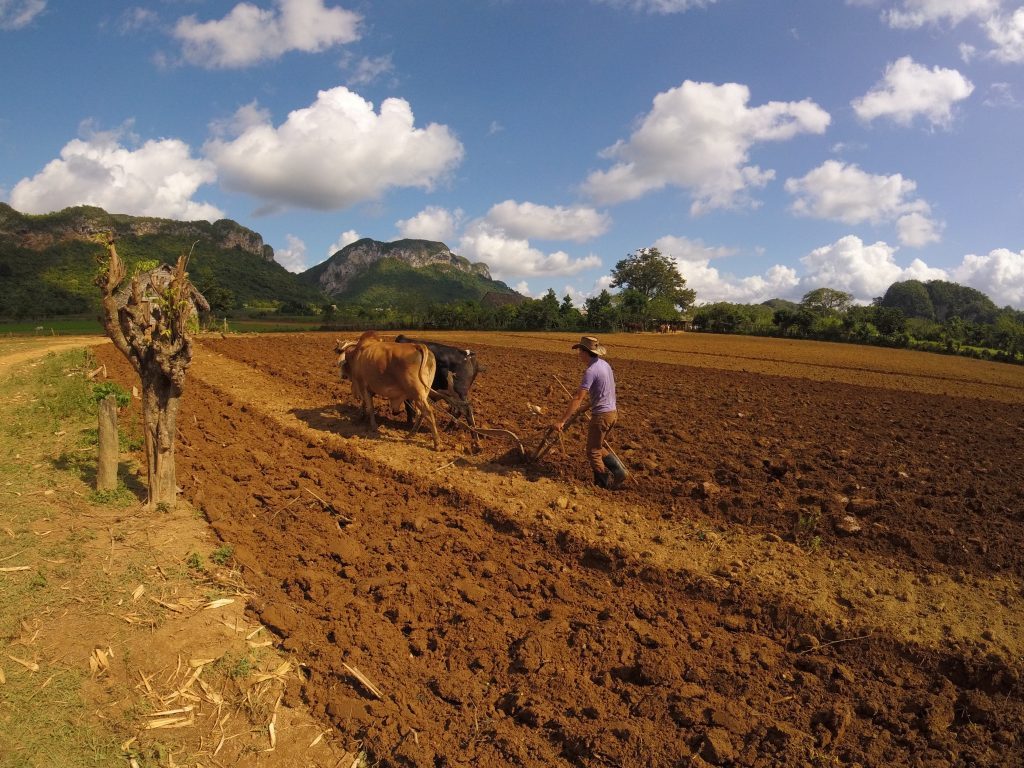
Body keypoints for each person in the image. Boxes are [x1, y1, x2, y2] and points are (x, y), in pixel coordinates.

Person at [554, 336, 627, 489]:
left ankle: (603, 484)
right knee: (598, 446)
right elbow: (604, 391)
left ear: (585, 352)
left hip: (601, 416)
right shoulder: (605, 365)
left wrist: (562, 421)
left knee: (592, 451)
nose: (578, 354)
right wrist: (586, 407)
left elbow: (578, 397)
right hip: (612, 413)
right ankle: (618, 471)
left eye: (580, 350)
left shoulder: (591, 371)